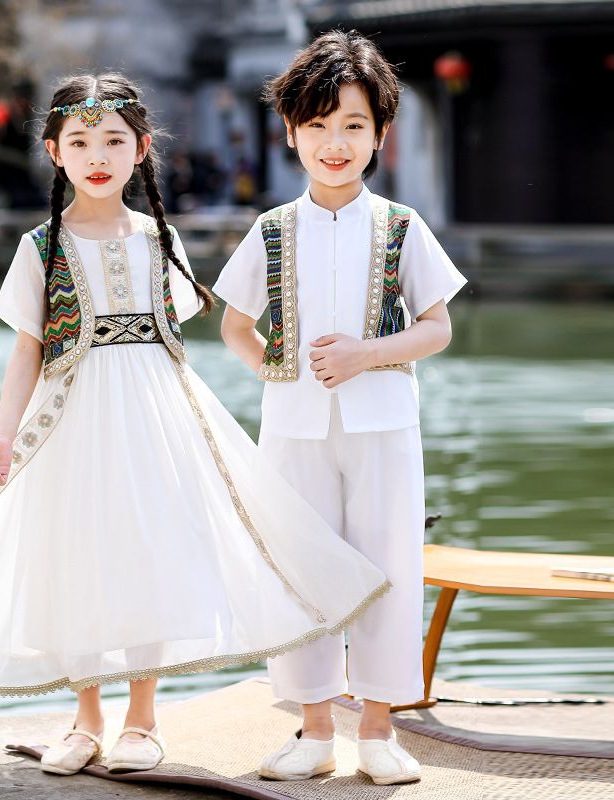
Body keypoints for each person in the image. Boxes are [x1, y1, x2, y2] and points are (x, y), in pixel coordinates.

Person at [0, 73, 389, 777]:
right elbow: (28, 349)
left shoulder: (159, 238)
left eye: (114, 141)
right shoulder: (39, 247)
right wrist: (2, 433)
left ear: (141, 149)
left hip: (153, 415)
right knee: (80, 554)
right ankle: (86, 719)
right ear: (54, 151)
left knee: (150, 549)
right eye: (80, 141)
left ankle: (143, 720)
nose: (98, 155)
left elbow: (171, 335)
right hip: (71, 420)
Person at [214, 31, 467, 785]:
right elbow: (234, 325)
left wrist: (366, 354)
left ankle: (382, 732)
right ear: (291, 132)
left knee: (388, 569)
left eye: (353, 125)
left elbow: (438, 326)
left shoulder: (400, 226)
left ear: (380, 134)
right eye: (318, 126)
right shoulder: (270, 230)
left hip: (385, 428)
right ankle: (315, 730)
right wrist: (279, 372)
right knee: (298, 571)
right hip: (291, 433)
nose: (335, 142)